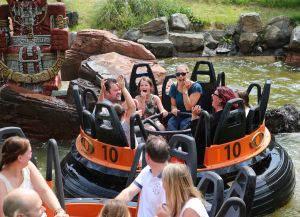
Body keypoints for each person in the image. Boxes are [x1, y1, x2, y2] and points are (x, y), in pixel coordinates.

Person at [0, 136, 68, 217]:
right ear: (20, 158)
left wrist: (59, 211)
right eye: (30, 152)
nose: (31, 155)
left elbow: (44, 191)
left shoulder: (28, 166)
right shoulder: (2, 181)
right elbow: (2, 214)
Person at [115, 135, 169, 217]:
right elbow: (129, 192)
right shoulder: (147, 170)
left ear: (147, 157)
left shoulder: (171, 181)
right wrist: (113, 207)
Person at [167, 64, 202, 131]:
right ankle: (174, 140)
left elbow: (188, 108)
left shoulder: (196, 87)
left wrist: (185, 89)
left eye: (183, 74)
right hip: (179, 115)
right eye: (178, 74)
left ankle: (184, 141)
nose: (180, 76)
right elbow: (173, 105)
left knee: (184, 124)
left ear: (188, 74)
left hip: (192, 116)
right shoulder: (174, 87)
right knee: (171, 123)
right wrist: (174, 109)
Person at [113, 75, 136, 146]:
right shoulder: (125, 126)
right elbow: (132, 107)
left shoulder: (108, 124)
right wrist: (123, 87)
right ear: (123, 114)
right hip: (130, 149)